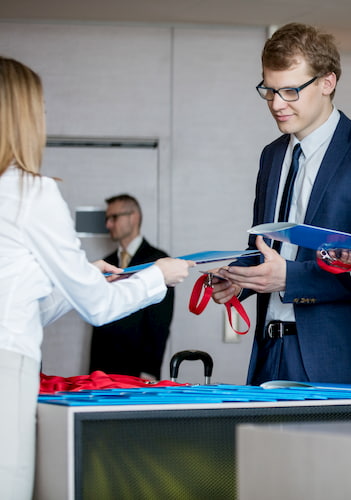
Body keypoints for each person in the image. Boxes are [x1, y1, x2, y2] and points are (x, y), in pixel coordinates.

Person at [0, 56, 192, 499]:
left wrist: (82, 277)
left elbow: (22, 304)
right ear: (24, 116)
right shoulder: (33, 190)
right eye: (41, 108)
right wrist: (158, 277)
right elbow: (99, 309)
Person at [211, 23, 351, 386]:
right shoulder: (271, 156)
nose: (277, 104)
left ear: (327, 83)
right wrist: (240, 279)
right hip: (269, 351)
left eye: (290, 91)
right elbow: (263, 247)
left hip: (336, 360)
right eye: (269, 90)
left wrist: (290, 277)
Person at [89, 194, 175, 380]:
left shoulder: (158, 261)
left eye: (114, 218)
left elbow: (159, 323)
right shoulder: (106, 262)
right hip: (101, 373)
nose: (108, 225)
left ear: (133, 217)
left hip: (137, 372)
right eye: (107, 219)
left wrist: (149, 371)